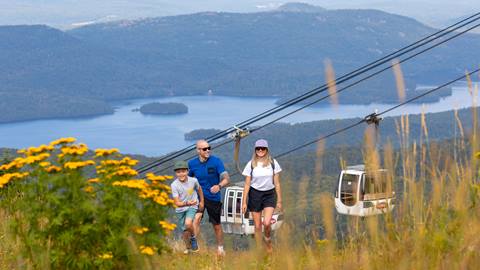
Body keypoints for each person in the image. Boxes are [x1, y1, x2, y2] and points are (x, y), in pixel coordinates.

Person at [188, 139, 230, 256]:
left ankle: (220, 249)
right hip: (199, 198)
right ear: (198, 150)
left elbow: (227, 178)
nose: (208, 150)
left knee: (216, 225)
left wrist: (219, 185)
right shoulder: (192, 164)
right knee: (196, 219)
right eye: (205, 149)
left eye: (209, 148)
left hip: (213, 198)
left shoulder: (216, 161)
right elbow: (188, 181)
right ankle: (194, 247)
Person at [241, 139, 282, 253]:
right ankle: (259, 248)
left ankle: (268, 240)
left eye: (262, 148)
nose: (260, 150)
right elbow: (247, 184)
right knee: (258, 226)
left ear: (267, 150)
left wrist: (279, 201)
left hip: (269, 194)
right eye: (258, 148)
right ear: (255, 150)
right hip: (255, 194)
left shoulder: (273, 163)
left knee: (267, 223)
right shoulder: (251, 164)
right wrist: (244, 202)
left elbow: (277, 183)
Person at [171, 160, 204, 254]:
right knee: (185, 232)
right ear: (176, 173)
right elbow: (177, 203)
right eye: (178, 172)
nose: (181, 174)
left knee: (188, 223)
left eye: (183, 171)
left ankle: (193, 238)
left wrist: (201, 201)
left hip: (192, 206)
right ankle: (189, 249)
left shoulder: (193, 181)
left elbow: (199, 189)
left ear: (187, 171)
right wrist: (186, 203)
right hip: (181, 209)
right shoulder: (174, 185)